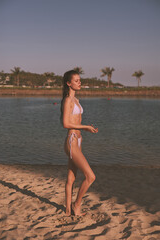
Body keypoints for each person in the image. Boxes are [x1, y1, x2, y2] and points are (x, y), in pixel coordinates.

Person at [60, 70, 98, 216]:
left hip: (78, 140)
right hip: (72, 140)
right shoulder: (68, 100)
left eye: (79, 80)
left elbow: (74, 120)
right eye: (76, 81)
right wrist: (86, 127)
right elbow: (65, 124)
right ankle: (77, 204)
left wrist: (85, 131)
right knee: (91, 176)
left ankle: (68, 210)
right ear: (68, 83)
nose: (79, 82)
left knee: (71, 177)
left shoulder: (76, 100)